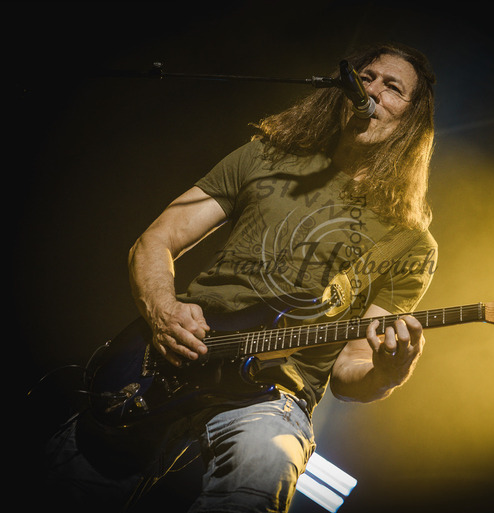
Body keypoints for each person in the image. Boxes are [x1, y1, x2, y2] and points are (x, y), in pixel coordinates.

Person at [44, 42, 438, 513]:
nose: (370, 90)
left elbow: (349, 370)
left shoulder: (409, 241)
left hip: (273, 396)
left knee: (261, 469)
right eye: (365, 77)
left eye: (392, 87)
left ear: (412, 119)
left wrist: (389, 373)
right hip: (169, 357)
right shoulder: (266, 157)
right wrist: (164, 311)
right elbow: (156, 239)